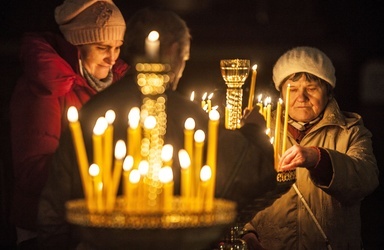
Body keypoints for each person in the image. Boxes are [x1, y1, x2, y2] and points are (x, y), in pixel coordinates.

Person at [37, 7, 280, 249]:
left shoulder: (93, 111)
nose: (181, 69)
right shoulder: (184, 115)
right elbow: (251, 174)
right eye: (184, 59)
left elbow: (53, 210)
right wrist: (254, 132)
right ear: (173, 50)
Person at [9, 0, 129, 248]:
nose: (112, 59)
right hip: (48, 229)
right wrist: (99, 166)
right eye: (102, 47)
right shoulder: (44, 87)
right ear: (76, 46)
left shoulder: (118, 87)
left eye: (117, 47)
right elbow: (31, 170)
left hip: (98, 224)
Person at [241, 46, 379, 249]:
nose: (302, 97)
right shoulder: (259, 131)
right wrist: (246, 232)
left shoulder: (350, 132)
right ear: (280, 92)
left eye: (311, 88)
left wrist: (317, 158)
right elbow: (237, 188)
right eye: (292, 89)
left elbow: (366, 179)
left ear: (328, 91)